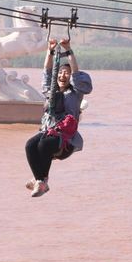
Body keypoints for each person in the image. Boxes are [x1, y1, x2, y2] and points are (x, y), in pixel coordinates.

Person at [24, 38, 93, 197]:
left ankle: (41, 182)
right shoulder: (51, 91)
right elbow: (47, 72)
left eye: (66, 73)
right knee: (30, 145)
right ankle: (40, 180)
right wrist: (50, 51)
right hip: (48, 131)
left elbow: (76, 75)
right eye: (61, 72)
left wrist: (69, 51)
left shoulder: (75, 94)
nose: (63, 75)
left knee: (43, 145)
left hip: (65, 138)